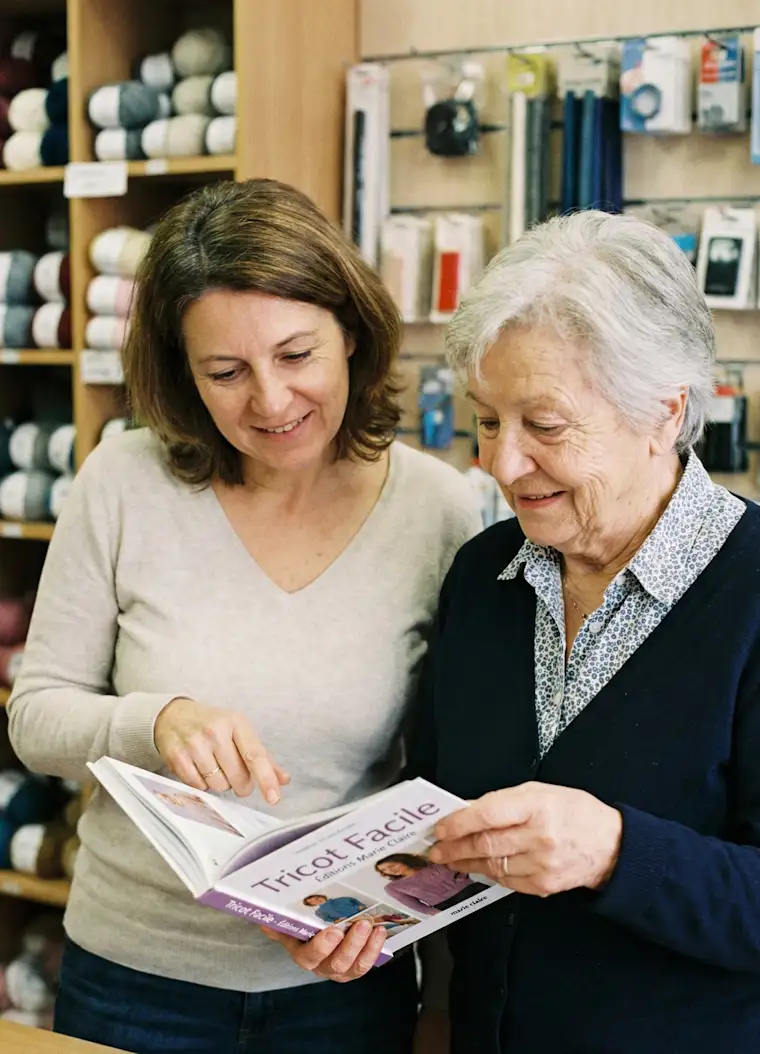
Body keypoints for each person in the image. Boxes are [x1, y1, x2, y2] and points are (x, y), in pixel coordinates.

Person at [265, 210, 760, 1053]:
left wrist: (615, 851)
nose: (502, 464)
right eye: (489, 420)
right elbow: (432, 811)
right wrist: (358, 909)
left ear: (666, 414)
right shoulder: (486, 576)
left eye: (547, 426)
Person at [6, 178, 481, 1054]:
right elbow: (35, 718)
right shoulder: (122, 483)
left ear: (352, 332)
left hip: (344, 987)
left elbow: (454, 778)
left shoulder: (444, 514)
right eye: (225, 372)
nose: (269, 401)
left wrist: (421, 964)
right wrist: (160, 723)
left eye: (296, 355)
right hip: (134, 982)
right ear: (184, 375)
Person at [374, 852, 488, 915]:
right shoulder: (393, 887)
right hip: (449, 906)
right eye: (384, 870)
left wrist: (461, 878)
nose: (390, 870)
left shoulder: (434, 862)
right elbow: (417, 906)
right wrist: (440, 914)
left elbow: (461, 865)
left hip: (475, 891)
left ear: (402, 859)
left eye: (391, 865)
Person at [303, 893, 368, 924]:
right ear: (312, 905)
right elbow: (328, 919)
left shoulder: (342, 899)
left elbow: (355, 901)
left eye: (316, 897)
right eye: (312, 901)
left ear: (320, 896)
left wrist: (361, 906)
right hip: (350, 921)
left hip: (362, 913)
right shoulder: (319, 911)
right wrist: (336, 921)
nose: (316, 900)